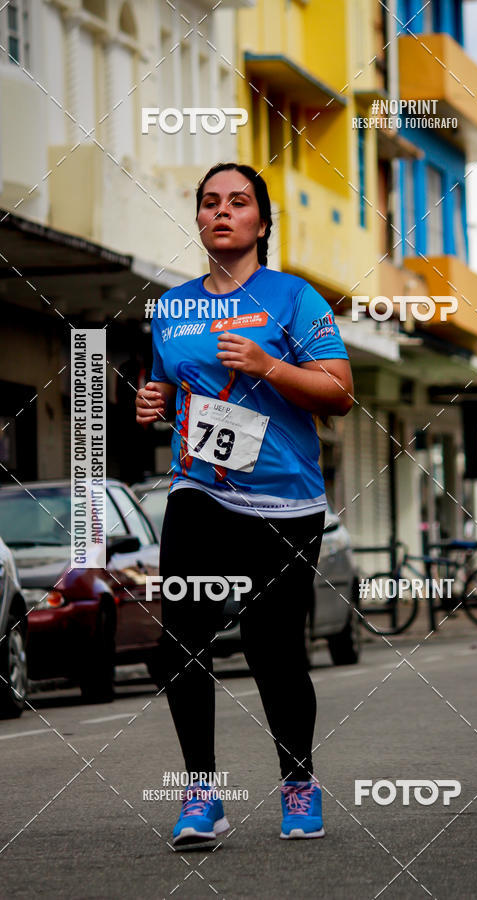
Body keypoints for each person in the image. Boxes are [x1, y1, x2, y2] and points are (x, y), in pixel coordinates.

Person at [135, 162, 353, 846]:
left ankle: (298, 782)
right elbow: (172, 389)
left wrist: (269, 368)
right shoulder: (171, 308)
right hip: (200, 489)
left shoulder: (294, 299)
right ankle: (202, 794)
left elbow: (340, 391)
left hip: (285, 501)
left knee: (273, 648)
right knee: (182, 641)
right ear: (197, 219)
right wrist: (155, 402)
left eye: (238, 202)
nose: (221, 212)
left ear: (262, 220)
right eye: (208, 202)